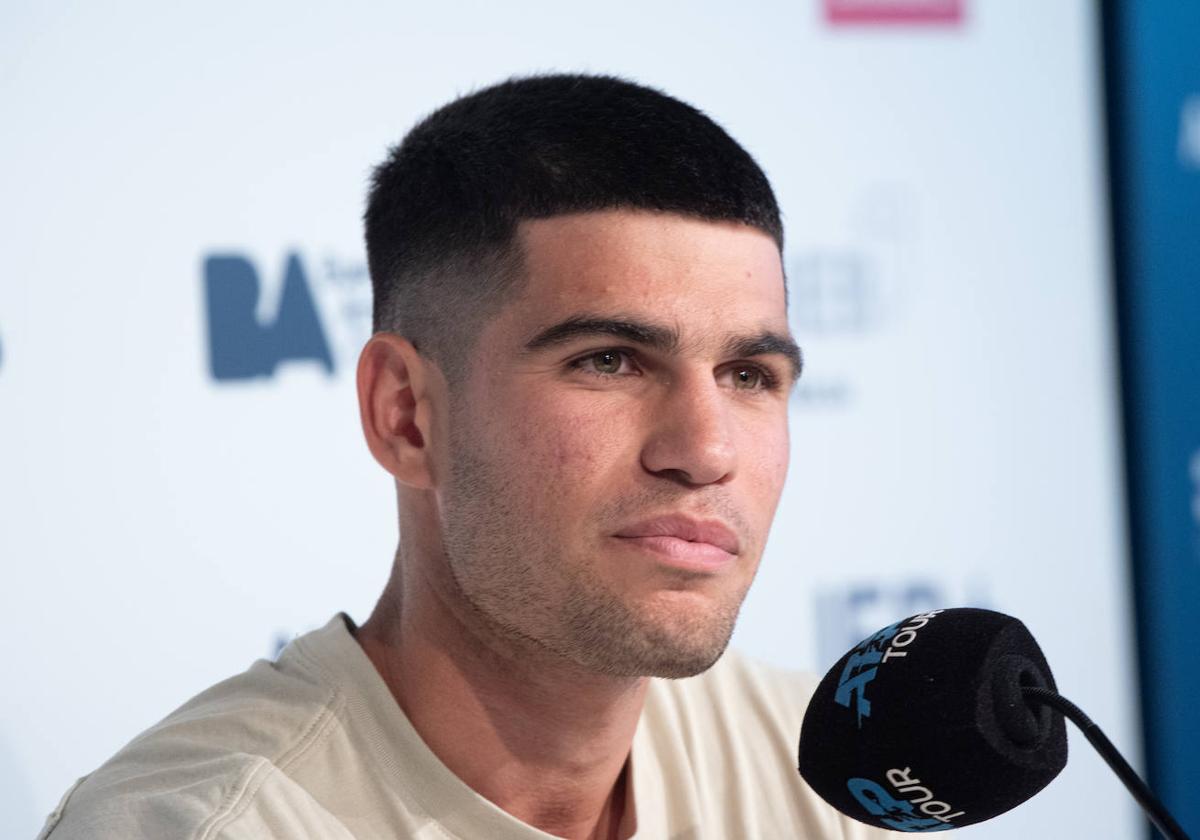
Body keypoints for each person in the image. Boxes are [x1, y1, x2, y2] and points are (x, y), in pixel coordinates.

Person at [39, 74, 891, 839]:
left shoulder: (826, 776)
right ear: (406, 415)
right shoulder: (199, 826)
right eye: (608, 361)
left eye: (749, 374)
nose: (706, 450)